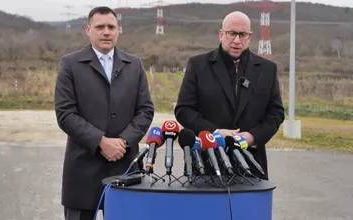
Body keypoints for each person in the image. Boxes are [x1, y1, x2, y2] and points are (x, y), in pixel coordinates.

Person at [54, 6, 154, 220]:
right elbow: (65, 113)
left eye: (111, 27)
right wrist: (100, 141)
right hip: (82, 169)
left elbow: (145, 110)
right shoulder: (70, 64)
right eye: (100, 27)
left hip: (124, 165)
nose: (106, 32)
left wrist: (123, 142)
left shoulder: (134, 64)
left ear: (118, 30)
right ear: (88, 30)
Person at [174, 11, 284, 180]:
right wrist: (215, 133)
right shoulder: (198, 65)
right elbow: (184, 110)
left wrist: (251, 137)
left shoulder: (267, 69)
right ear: (221, 34)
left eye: (242, 34)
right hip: (206, 163)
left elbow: (276, 114)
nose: (237, 40)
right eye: (232, 33)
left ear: (250, 37)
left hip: (252, 164)